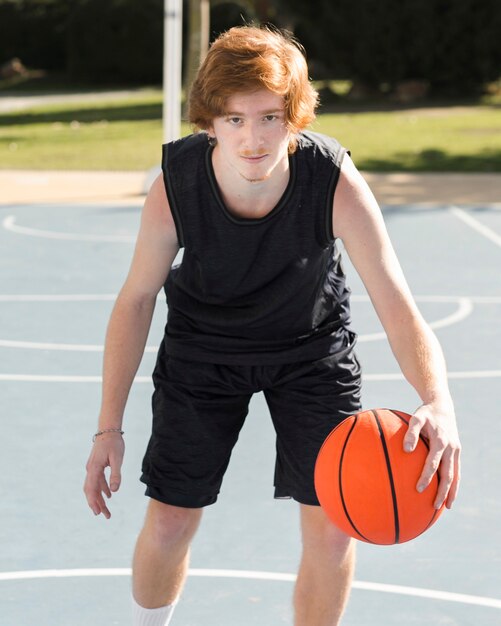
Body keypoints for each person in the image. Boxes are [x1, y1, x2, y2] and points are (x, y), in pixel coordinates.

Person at [84, 25, 461, 626]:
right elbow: (135, 301)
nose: (253, 139)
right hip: (202, 352)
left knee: (334, 528)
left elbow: (396, 301)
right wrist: (109, 427)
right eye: (234, 120)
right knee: (171, 517)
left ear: (295, 116)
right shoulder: (176, 186)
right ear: (209, 122)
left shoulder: (332, 181)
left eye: (268, 118)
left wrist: (438, 401)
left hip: (310, 351)